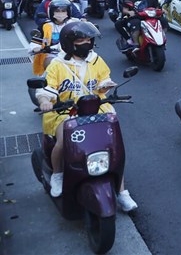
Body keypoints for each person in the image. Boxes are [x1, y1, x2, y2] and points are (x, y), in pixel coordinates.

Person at [34, 21, 138, 212]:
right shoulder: (57, 65)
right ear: (69, 43)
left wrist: (106, 85)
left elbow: (103, 78)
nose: (86, 44)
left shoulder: (96, 60)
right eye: (81, 40)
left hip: (95, 108)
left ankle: (122, 192)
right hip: (65, 112)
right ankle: (58, 174)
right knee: (63, 141)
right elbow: (46, 90)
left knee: (113, 146)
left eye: (89, 40)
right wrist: (45, 101)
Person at [30, 0, 79, 76]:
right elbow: (36, 42)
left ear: (68, 12)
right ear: (51, 12)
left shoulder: (75, 24)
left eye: (63, 11)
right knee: (51, 64)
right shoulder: (45, 26)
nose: (60, 13)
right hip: (53, 55)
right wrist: (36, 48)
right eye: (57, 11)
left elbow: (85, 36)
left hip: (73, 54)